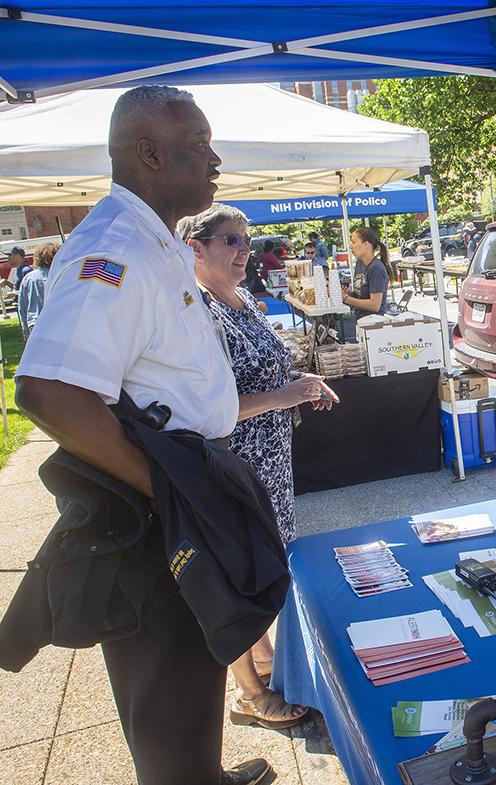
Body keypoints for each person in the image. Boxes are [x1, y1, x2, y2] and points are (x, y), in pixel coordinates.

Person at [13, 85, 272, 785]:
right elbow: (47, 390)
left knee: (192, 669)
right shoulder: (115, 247)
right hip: (158, 513)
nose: (215, 160)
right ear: (150, 154)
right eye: (199, 145)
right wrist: (162, 490)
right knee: (166, 688)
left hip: (181, 489)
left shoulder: (155, 240)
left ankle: (204, 772)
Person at [179, 202, 339, 731]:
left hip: (270, 462)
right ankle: (249, 693)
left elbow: (268, 371)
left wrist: (302, 385)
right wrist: (283, 396)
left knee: (268, 565)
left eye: (246, 240)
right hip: (233, 465)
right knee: (239, 577)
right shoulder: (197, 311)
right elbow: (209, 407)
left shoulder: (244, 297)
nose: (244, 250)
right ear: (195, 248)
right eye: (231, 240)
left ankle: (266, 658)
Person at [342, 226, 389, 318]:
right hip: (361, 320)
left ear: (366, 244)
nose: (350, 246)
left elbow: (375, 305)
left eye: (354, 242)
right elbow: (362, 296)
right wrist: (349, 293)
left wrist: (346, 299)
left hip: (374, 322)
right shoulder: (359, 263)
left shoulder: (376, 268)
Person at [16, 242, 58, 338]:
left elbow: (22, 306)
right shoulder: (60, 275)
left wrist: (25, 332)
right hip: (56, 322)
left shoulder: (28, 278)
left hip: (34, 324)